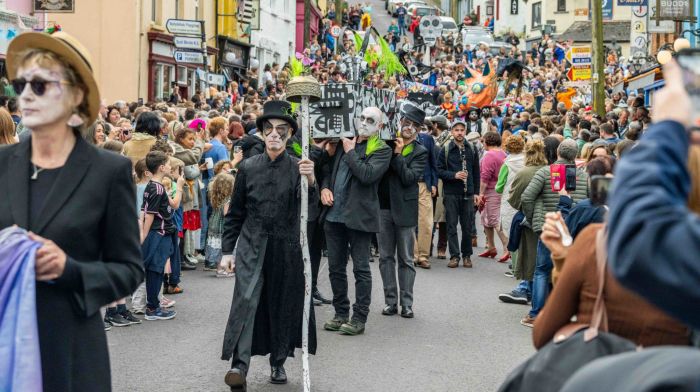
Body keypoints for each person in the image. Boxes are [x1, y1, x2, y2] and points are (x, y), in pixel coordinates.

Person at [0, 30, 143, 391]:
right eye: (22, 84)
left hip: (70, 353)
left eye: (42, 85)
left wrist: (70, 269)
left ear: (76, 96)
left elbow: (127, 270)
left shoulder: (108, 172)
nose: (27, 95)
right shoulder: (2, 164)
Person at [220, 100, 318, 389]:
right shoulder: (248, 167)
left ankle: (278, 362)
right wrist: (227, 250)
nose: (275, 134)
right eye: (269, 129)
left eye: (281, 130)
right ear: (262, 133)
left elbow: (310, 212)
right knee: (246, 300)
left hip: (286, 248)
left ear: (289, 135)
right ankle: (239, 365)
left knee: (281, 303)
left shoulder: (299, 168)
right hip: (252, 244)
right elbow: (235, 212)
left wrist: (311, 181)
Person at [321, 106, 392, 336]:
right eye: (361, 118)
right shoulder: (345, 141)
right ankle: (340, 312)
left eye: (370, 120)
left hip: (359, 217)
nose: (363, 123)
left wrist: (351, 152)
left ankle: (359, 317)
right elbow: (327, 170)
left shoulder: (381, 149)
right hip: (334, 216)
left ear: (379, 126)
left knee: (361, 268)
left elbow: (367, 175)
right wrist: (324, 188)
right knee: (335, 267)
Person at [519, 139, 589, 327]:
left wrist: (534, 217)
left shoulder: (545, 172)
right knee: (565, 271)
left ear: (557, 151)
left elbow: (527, 197)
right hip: (573, 228)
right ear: (575, 154)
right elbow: (588, 200)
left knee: (542, 269)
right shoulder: (582, 176)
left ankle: (536, 313)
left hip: (548, 225)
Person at [377, 104, 427, 318]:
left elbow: (408, 178)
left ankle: (407, 304)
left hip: (405, 210)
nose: (409, 127)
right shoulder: (385, 143)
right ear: (400, 122)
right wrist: (392, 150)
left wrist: (397, 155)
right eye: (406, 122)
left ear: (418, 130)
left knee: (406, 258)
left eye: (414, 125)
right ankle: (390, 302)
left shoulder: (420, 152)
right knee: (385, 257)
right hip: (382, 208)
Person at [140, 150, 183, 322]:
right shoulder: (157, 189)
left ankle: (154, 305)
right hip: (159, 232)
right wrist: (143, 236)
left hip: (160, 232)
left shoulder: (153, 185)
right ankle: (152, 308)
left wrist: (178, 187)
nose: (171, 166)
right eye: (169, 163)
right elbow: (149, 214)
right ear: (162, 167)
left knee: (156, 269)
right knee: (155, 270)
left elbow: (173, 204)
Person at [437, 119, 481, 268]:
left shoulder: (472, 149)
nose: (460, 133)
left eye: (462, 130)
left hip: (467, 193)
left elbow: (476, 172)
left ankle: (467, 256)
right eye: (456, 130)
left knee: (467, 226)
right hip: (450, 192)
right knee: (451, 225)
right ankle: (454, 256)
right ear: (452, 132)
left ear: (465, 132)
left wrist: (476, 192)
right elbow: (439, 170)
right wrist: (454, 175)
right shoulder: (445, 149)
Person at [494, 134, 525, 264]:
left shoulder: (506, 164)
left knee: (511, 231)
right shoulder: (527, 161)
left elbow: (499, 187)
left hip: (509, 200)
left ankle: (515, 263)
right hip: (524, 199)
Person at [478, 131, 508, 260]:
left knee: (494, 220)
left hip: (491, 190)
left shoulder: (489, 155)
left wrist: (480, 194)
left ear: (487, 141)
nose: (482, 143)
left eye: (483, 141)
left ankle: (507, 247)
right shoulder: (503, 153)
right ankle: (491, 247)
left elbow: (485, 177)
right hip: (501, 190)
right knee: (486, 218)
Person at [205, 172, 235, 276]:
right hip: (223, 226)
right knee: (225, 248)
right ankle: (226, 270)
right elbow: (226, 213)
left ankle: (219, 269)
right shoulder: (228, 199)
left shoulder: (215, 197)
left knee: (218, 248)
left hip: (214, 225)